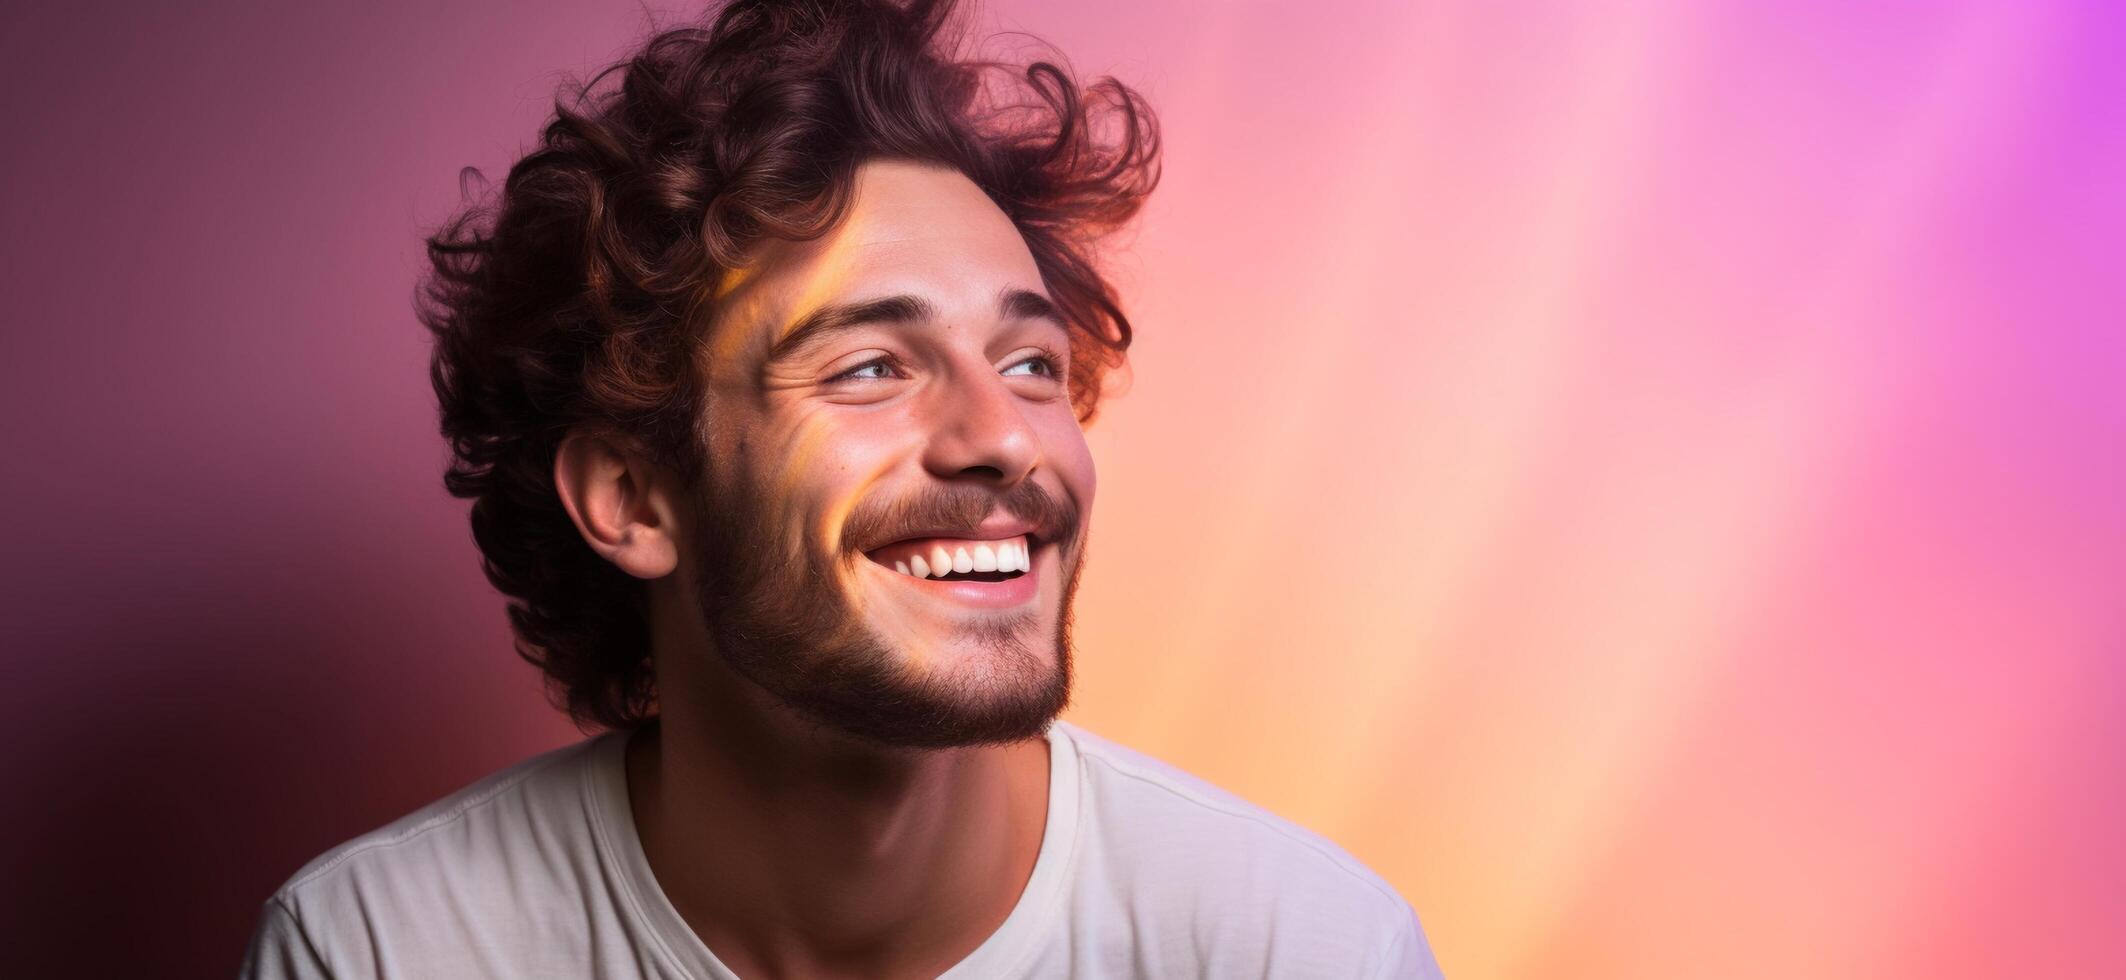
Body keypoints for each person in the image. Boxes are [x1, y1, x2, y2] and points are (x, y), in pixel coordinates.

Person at [238, 0, 1442, 976]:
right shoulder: (379, 948)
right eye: (872, 367)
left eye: (1030, 365)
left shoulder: (1304, 947)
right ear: (634, 495)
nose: (1003, 440)